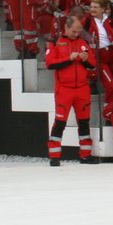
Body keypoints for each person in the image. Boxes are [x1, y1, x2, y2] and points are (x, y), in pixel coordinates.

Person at [45, 12, 99, 164]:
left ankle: (85, 155)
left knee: (84, 122)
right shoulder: (55, 41)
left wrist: (86, 59)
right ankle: (54, 156)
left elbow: (93, 63)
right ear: (66, 27)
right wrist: (69, 58)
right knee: (60, 122)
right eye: (74, 31)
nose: (76, 34)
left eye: (79, 31)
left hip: (82, 88)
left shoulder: (83, 42)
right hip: (64, 89)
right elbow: (50, 63)